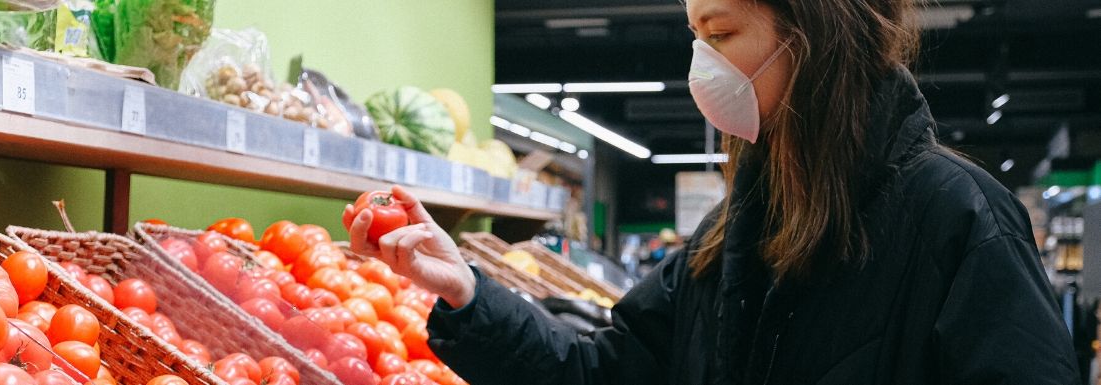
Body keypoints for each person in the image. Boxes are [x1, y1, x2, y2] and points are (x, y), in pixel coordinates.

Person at [343, 0, 1079, 382]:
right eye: (693, 33)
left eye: (720, 34)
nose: (700, 62)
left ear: (813, 33)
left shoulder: (958, 221)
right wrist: (468, 292)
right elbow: (604, 372)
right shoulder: (734, 235)